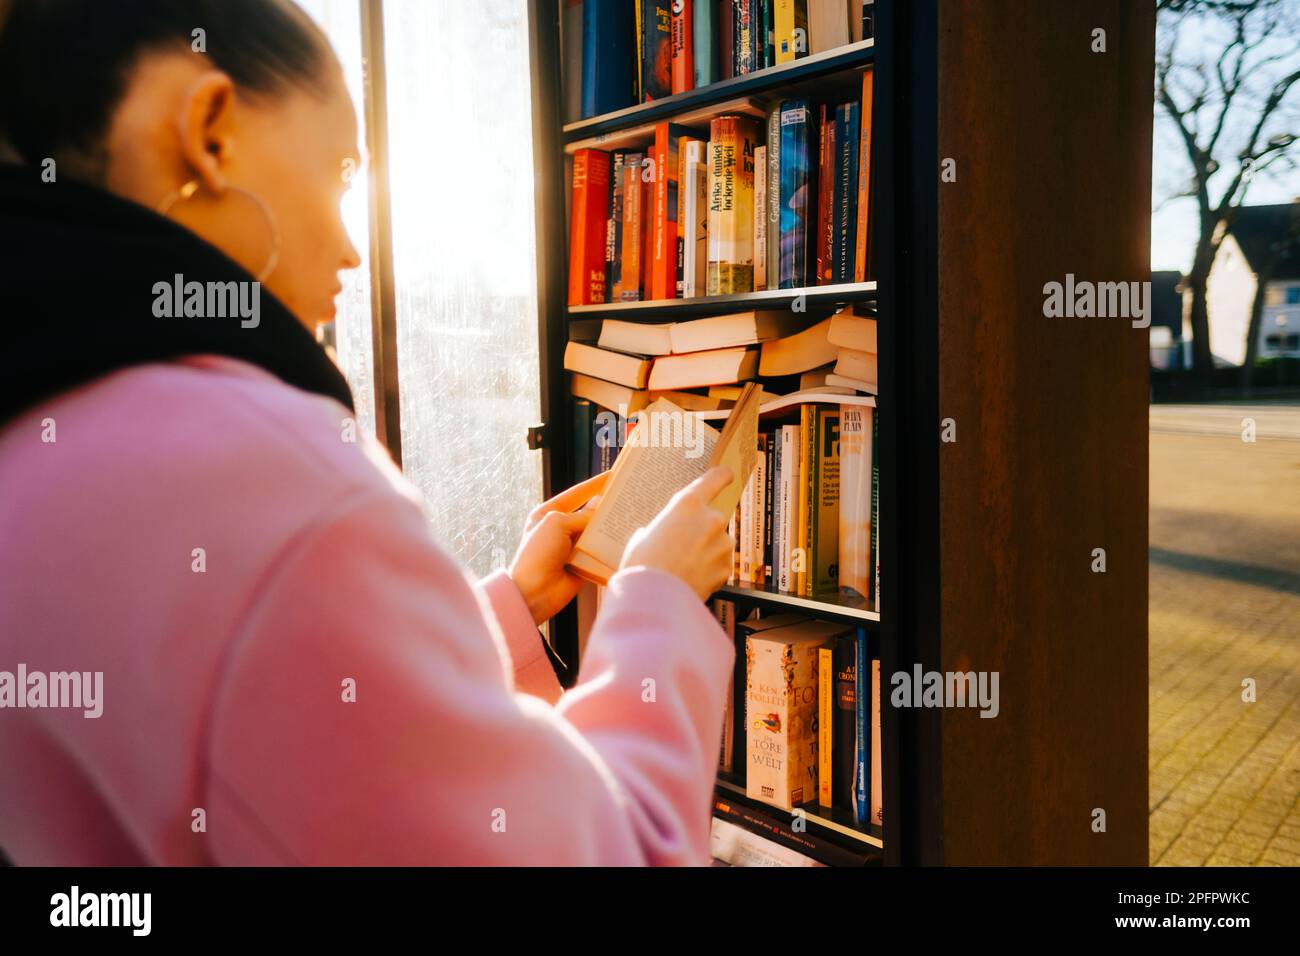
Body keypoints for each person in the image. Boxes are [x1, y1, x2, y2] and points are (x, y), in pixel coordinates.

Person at [0, 0, 735, 865]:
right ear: (209, 131)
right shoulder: (267, 477)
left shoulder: (47, 417)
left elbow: (270, 728)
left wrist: (510, 608)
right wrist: (657, 602)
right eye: (342, 174)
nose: (352, 250)